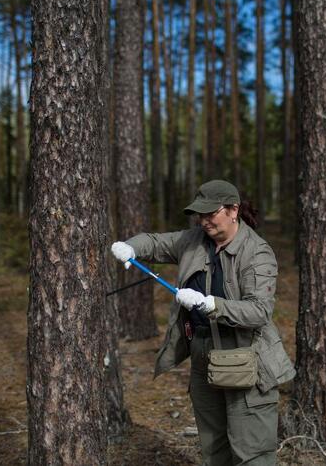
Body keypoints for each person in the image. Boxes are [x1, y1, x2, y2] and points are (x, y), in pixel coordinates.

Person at [111, 179, 295, 465]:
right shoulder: (194, 240)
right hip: (203, 355)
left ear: (233, 210)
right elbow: (156, 242)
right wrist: (130, 247)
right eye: (200, 214)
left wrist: (209, 304)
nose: (204, 221)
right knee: (213, 448)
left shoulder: (257, 253)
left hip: (246, 357)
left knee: (252, 452)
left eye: (211, 213)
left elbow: (259, 311)